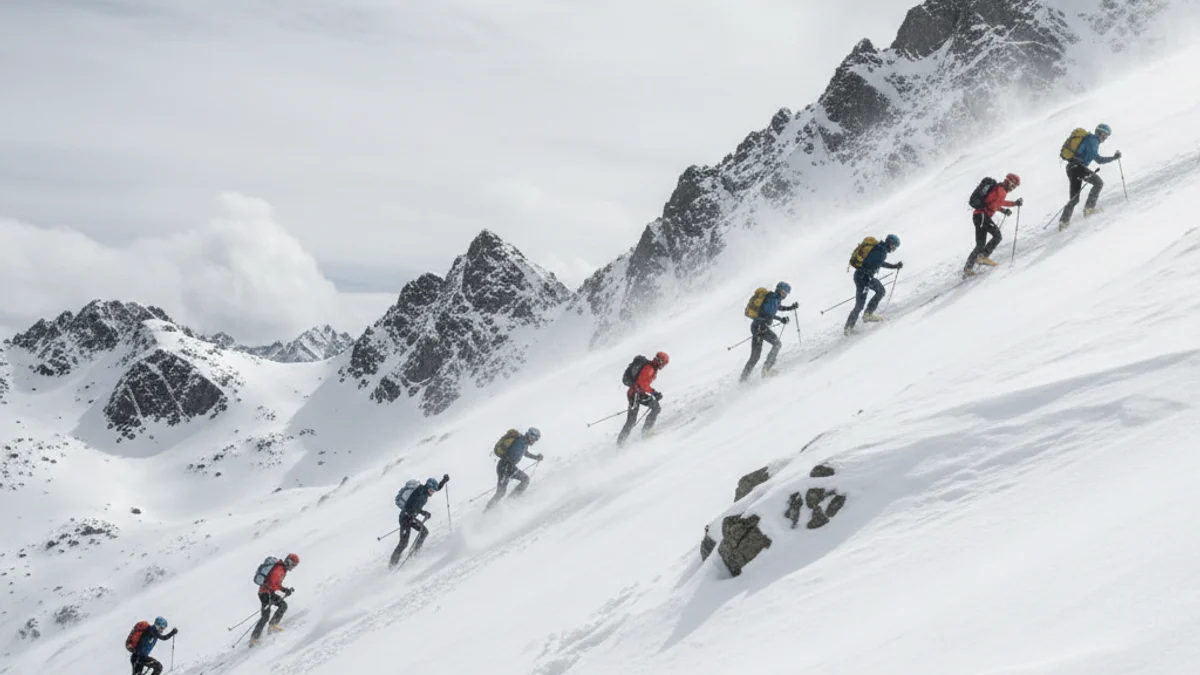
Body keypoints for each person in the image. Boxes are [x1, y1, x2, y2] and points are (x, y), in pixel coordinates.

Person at [1060, 123, 1121, 229]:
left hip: (1072, 168)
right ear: (1100, 133)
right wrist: (1113, 158)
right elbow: (1098, 159)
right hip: (1078, 168)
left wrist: (1112, 158)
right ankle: (1089, 209)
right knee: (1098, 183)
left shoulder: (1090, 140)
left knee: (1075, 198)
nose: (1105, 139)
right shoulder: (1093, 141)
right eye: (1105, 135)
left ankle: (1063, 222)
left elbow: (1095, 158)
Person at [964, 173, 1023, 276]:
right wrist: (1014, 203)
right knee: (997, 236)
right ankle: (982, 257)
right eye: (1013, 185)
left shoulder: (998, 188)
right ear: (1008, 181)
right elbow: (997, 203)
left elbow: (992, 203)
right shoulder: (1001, 190)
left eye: (1015, 187)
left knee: (980, 244)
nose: (1013, 188)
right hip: (982, 216)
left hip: (978, 216)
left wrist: (1003, 211)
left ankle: (968, 268)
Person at [844, 234, 903, 336]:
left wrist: (894, 266)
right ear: (890, 243)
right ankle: (854, 324)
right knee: (861, 304)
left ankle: (862, 317)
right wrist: (894, 266)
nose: (893, 249)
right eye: (894, 247)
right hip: (863, 278)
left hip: (863, 277)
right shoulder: (881, 251)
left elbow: (879, 263)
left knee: (879, 292)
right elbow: (875, 263)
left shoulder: (880, 248)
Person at [741, 282, 798, 381]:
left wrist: (790, 308)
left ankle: (743, 379)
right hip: (760, 327)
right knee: (776, 344)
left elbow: (777, 308)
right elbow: (769, 314)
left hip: (758, 327)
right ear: (779, 290)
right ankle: (766, 369)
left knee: (755, 356)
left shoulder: (774, 298)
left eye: (786, 293)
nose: (785, 295)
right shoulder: (773, 298)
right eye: (784, 292)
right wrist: (781, 319)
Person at [389, 474, 450, 566]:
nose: (432, 492)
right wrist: (418, 513)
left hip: (411, 517)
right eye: (431, 490)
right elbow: (409, 505)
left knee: (424, 532)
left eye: (433, 491)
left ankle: (414, 553)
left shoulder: (426, 492)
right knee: (403, 543)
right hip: (405, 518)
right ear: (428, 487)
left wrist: (444, 481)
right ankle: (392, 564)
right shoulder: (419, 492)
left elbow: (437, 488)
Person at [486, 428, 544, 510]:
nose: (534, 442)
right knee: (501, 492)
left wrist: (536, 457)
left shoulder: (523, 442)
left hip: (509, 467)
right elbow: (517, 453)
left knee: (525, 480)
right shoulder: (520, 441)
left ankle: (510, 501)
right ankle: (487, 511)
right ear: (531, 436)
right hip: (505, 467)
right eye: (535, 439)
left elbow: (525, 453)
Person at [617, 351, 669, 445]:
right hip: (635, 395)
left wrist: (652, 393)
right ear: (659, 361)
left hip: (637, 394)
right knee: (631, 421)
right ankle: (622, 442)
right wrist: (654, 392)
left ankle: (644, 432)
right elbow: (642, 384)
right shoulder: (649, 368)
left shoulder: (652, 367)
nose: (663, 366)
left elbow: (642, 384)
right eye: (664, 363)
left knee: (655, 408)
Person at [249, 553, 299, 646]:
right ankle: (265, 630)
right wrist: (283, 590)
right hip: (266, 593)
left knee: (274, 610)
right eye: (293, 565)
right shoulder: (279, 569)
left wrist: (284, 590)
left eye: (295, 566)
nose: (293, 567)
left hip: (266, 592)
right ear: (288, 561)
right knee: (279, 608)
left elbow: (276, 584)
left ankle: (257, 636)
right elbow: (272, 583)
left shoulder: (282, 570)